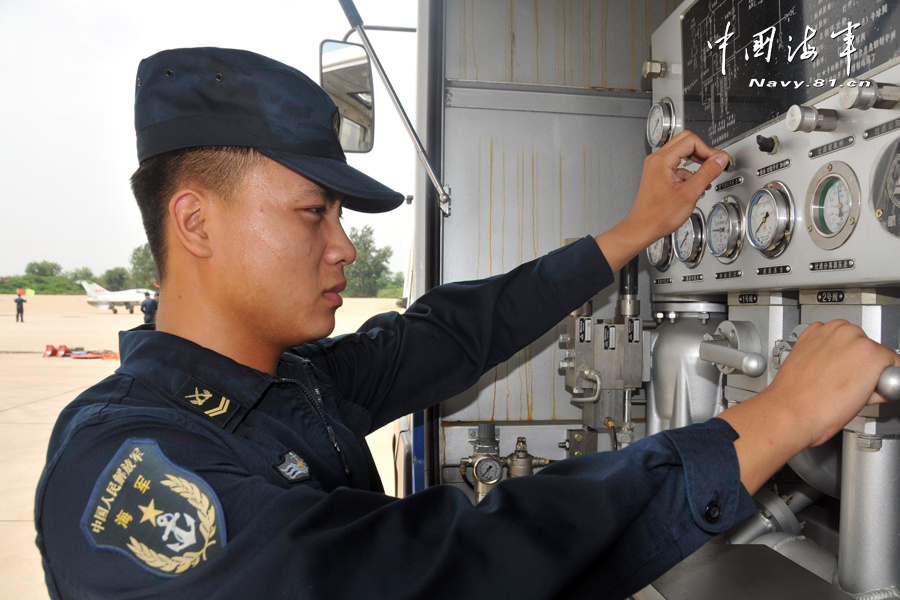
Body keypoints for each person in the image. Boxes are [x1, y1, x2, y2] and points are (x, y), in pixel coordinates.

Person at [34, 48, 899, 600]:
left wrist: (634, 232)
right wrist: (779, 416)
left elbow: (454, 333)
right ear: (195, 222)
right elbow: (441, 570)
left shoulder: (290, 384)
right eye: (312, 211)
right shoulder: (118, 470)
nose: (343, 246)